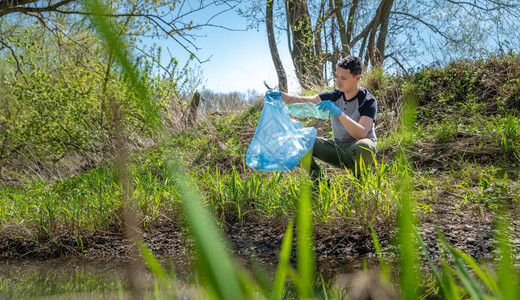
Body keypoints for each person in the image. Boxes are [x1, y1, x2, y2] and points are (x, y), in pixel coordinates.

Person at [272, 56, 378, 181]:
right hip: (338, 149)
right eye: (337, 76)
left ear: (357, 78)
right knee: (301, 140)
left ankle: (361, 184)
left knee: (365, 145)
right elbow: (303, 100)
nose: (338, 81)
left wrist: (337, 112)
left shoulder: (367, 100)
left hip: (358, 149)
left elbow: (361, 133)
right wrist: (280, 96)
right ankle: (320, 183)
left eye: (343, 78)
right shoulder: (333, 96)